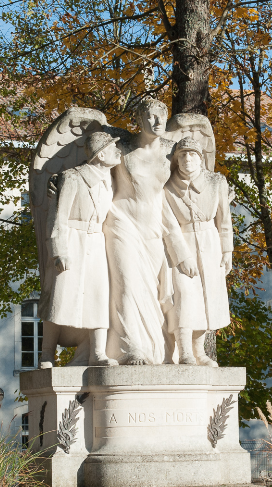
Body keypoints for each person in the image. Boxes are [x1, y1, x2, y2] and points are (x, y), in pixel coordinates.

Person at [104, 98, 198, 365]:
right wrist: (61, 183)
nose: (157, 122)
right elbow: (93, 169)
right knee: (126, 284)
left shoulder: (171, 151)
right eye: (150, 116)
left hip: (154, 229)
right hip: (122, 222)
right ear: (138, 119)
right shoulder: (121, 148)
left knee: (156, 293)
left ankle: (159, 352)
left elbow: (190, 180)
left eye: (161, 116)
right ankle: (130, 347)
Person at [39, 131, 122, 367]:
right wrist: (58, 250)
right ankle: (47, 354)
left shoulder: (111, 181)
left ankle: (98, 352)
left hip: (96, 241)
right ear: (100, 153)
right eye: (113, 147)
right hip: (72, 240)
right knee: (59, 296)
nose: (118, 152)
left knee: (99, 296)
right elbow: (58, 217)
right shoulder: (72, 177)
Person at [162, 137, 233, 366]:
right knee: (183, 296)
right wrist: (182, 256)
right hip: (182, 243)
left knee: (206, 298)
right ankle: (184, 351)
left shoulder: (215, 182)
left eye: (192, 154)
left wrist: (227, 251)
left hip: (210, 243)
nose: (187, 159)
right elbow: (169, 225)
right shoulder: (167, 187)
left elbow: (224, 220)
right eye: (182, 155)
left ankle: (199, 352)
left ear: (201, 159)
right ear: (176, 160)